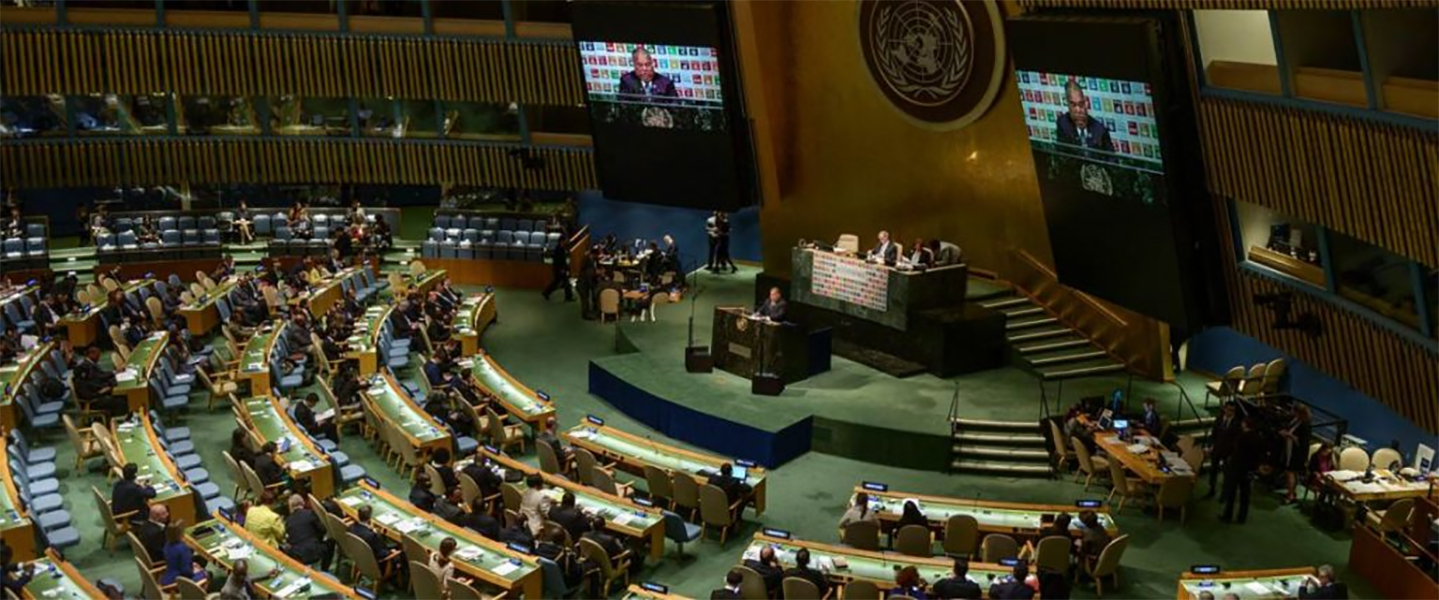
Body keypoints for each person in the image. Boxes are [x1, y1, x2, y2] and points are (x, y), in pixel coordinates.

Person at [1220, 417, 1264, 524]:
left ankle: (1227, 515)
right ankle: (1242, 517)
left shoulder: (1242, 437)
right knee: (1245, 494)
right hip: (1249, 469)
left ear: (1245, 424)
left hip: (1237, 468)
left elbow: (1237, 452)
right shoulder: (1258, 438)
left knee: (1232, 493)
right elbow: (1259, 455)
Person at [1055, 78, 1114, 152]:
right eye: (1073, 105)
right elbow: (1062, 155)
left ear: (1086, 104)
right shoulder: (1063, 124)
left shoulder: (1100, 130)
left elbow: (1112, 160)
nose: (1078, 110)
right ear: (1068, 105)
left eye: (1081, 104)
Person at [73, 345, 126, 416]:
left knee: (121, 396)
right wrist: (101, 392)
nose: (99, 356)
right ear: (90, 354)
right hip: (93, 401)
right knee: (120, 401)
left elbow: (98, 378)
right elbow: (87, 394)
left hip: (97, 394)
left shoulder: (90, 366)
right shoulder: (83, 372)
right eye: (97, 354)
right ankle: (116, 419)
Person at [1205, 401, 1241, 497]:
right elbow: (1214, 434)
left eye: (1232, 411)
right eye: (1228, 410)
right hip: (1217, 449)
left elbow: (1236, 440)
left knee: (1227, 473)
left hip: (1228, 452)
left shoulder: (1236, 423)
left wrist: (1233, 453)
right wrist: (1209, 446)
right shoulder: (1219, 419)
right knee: (1213, 471)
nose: (1230, 412)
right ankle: (1211, 489)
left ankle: (1224, 493)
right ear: (1224, 409)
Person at [285, 495, 330, 570]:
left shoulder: (288, 521)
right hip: (314, 551)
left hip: (298, 556)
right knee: (330, 543)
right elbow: (323, 530)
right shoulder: (310, 514)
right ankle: (325, 569)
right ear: (303, 503)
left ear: (290, 507)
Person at [1280, 405, 1312, 504]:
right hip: (1290, 449)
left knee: (1291, 472)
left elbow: (1301, 441)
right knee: (1291, 472)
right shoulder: (1297, 420)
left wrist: (1289, 435)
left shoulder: (1305, 425)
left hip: (1297, 453)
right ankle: (1291, 492)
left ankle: (1290, 495)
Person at [161, 522, 208, 586]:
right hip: (179, 582)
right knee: (207, 573)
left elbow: (176, 562)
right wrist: (195, 570)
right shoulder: (183, 549)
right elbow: (186, 572)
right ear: (180, 534)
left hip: (168, 577)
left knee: (199, 562)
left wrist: (191, 564)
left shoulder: (167, 544)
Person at [542, 234, 574, 302]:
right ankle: (546, 292)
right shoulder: (558, 249)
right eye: (565, 240)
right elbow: (558, 261)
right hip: (559, 269)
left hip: (560, 269)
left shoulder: (561, 248)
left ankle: (547, 293)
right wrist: (562, 269)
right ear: (562, 241)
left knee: (562, 282)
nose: (566, 242)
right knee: (559, 282)